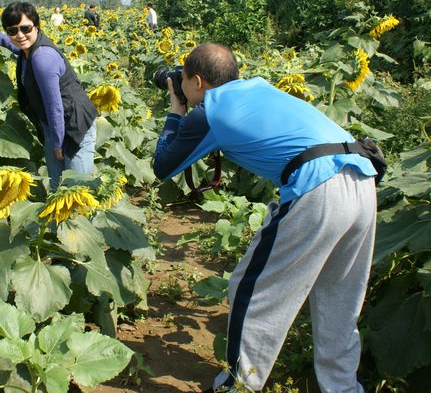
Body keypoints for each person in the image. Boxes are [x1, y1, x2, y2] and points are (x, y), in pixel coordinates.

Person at [153, 43, 377, 392]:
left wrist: (175, 112)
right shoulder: (257, 87)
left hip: (317, 187)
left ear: (197, 81)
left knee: (250, 290)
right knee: (339, 298)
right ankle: (344, 387)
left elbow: (163, 166)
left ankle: (238, 386)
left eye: (181, 80)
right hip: (361, 176)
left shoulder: (208, 111)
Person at [0, 2, 98, 190]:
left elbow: (55, 106)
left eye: (25, 28)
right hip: (54, 126)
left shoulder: (42, 58)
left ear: (36, 26)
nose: (19, 35)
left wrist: (58, 142)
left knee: (77, 189)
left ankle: (87, 219)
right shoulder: (29, 49)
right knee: (57, 187)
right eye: (12, 31)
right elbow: (20, 49)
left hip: (74, 126)